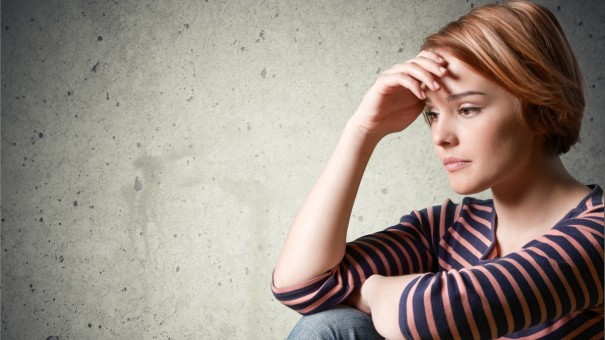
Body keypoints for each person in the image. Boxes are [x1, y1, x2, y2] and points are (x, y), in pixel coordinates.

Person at [271, 1, 604, 339]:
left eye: (467, 109)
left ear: (540, 112)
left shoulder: (598, 232)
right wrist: (362, 131)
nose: (441, 137)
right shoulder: (450, 229)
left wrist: (370, 289)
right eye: (432, 114)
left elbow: (426, 315)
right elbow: (301, 285)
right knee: (329, 327)